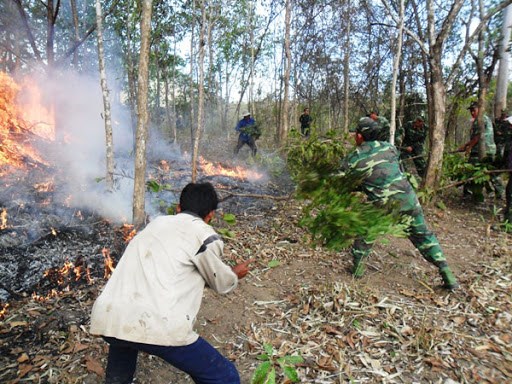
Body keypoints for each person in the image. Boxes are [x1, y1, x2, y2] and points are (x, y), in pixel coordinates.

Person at [90, 182, 253, 384]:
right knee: (224, 376)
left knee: (122, 354)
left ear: (178, 208)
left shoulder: (154, 225)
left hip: (109, 315)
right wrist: (235, 274)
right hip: (158, 323)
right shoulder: (205, 236)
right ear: (211, 215)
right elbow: (221, 283)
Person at [343, 117, 459, 290]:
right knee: (424, 237)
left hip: (384, 207)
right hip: (409, 200)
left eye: (356, 133)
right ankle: (448, 275)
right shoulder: (389, 148)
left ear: (360, 136)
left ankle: (358, 271)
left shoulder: (355, 157)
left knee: (365, 233)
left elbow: (343, 182)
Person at [458, 101, 504, 203]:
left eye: (473, 110)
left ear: (479, 109)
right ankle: (498, 193)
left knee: (471, 170)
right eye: (471, 110)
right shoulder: (485, 118)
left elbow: (478, 137)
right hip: (488, 150)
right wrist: (465, 145)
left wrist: (469, 147)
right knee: (491, 172)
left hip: (482, 151)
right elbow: (476, 137)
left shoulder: (480, 119)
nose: (472, 113)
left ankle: (471, 193)